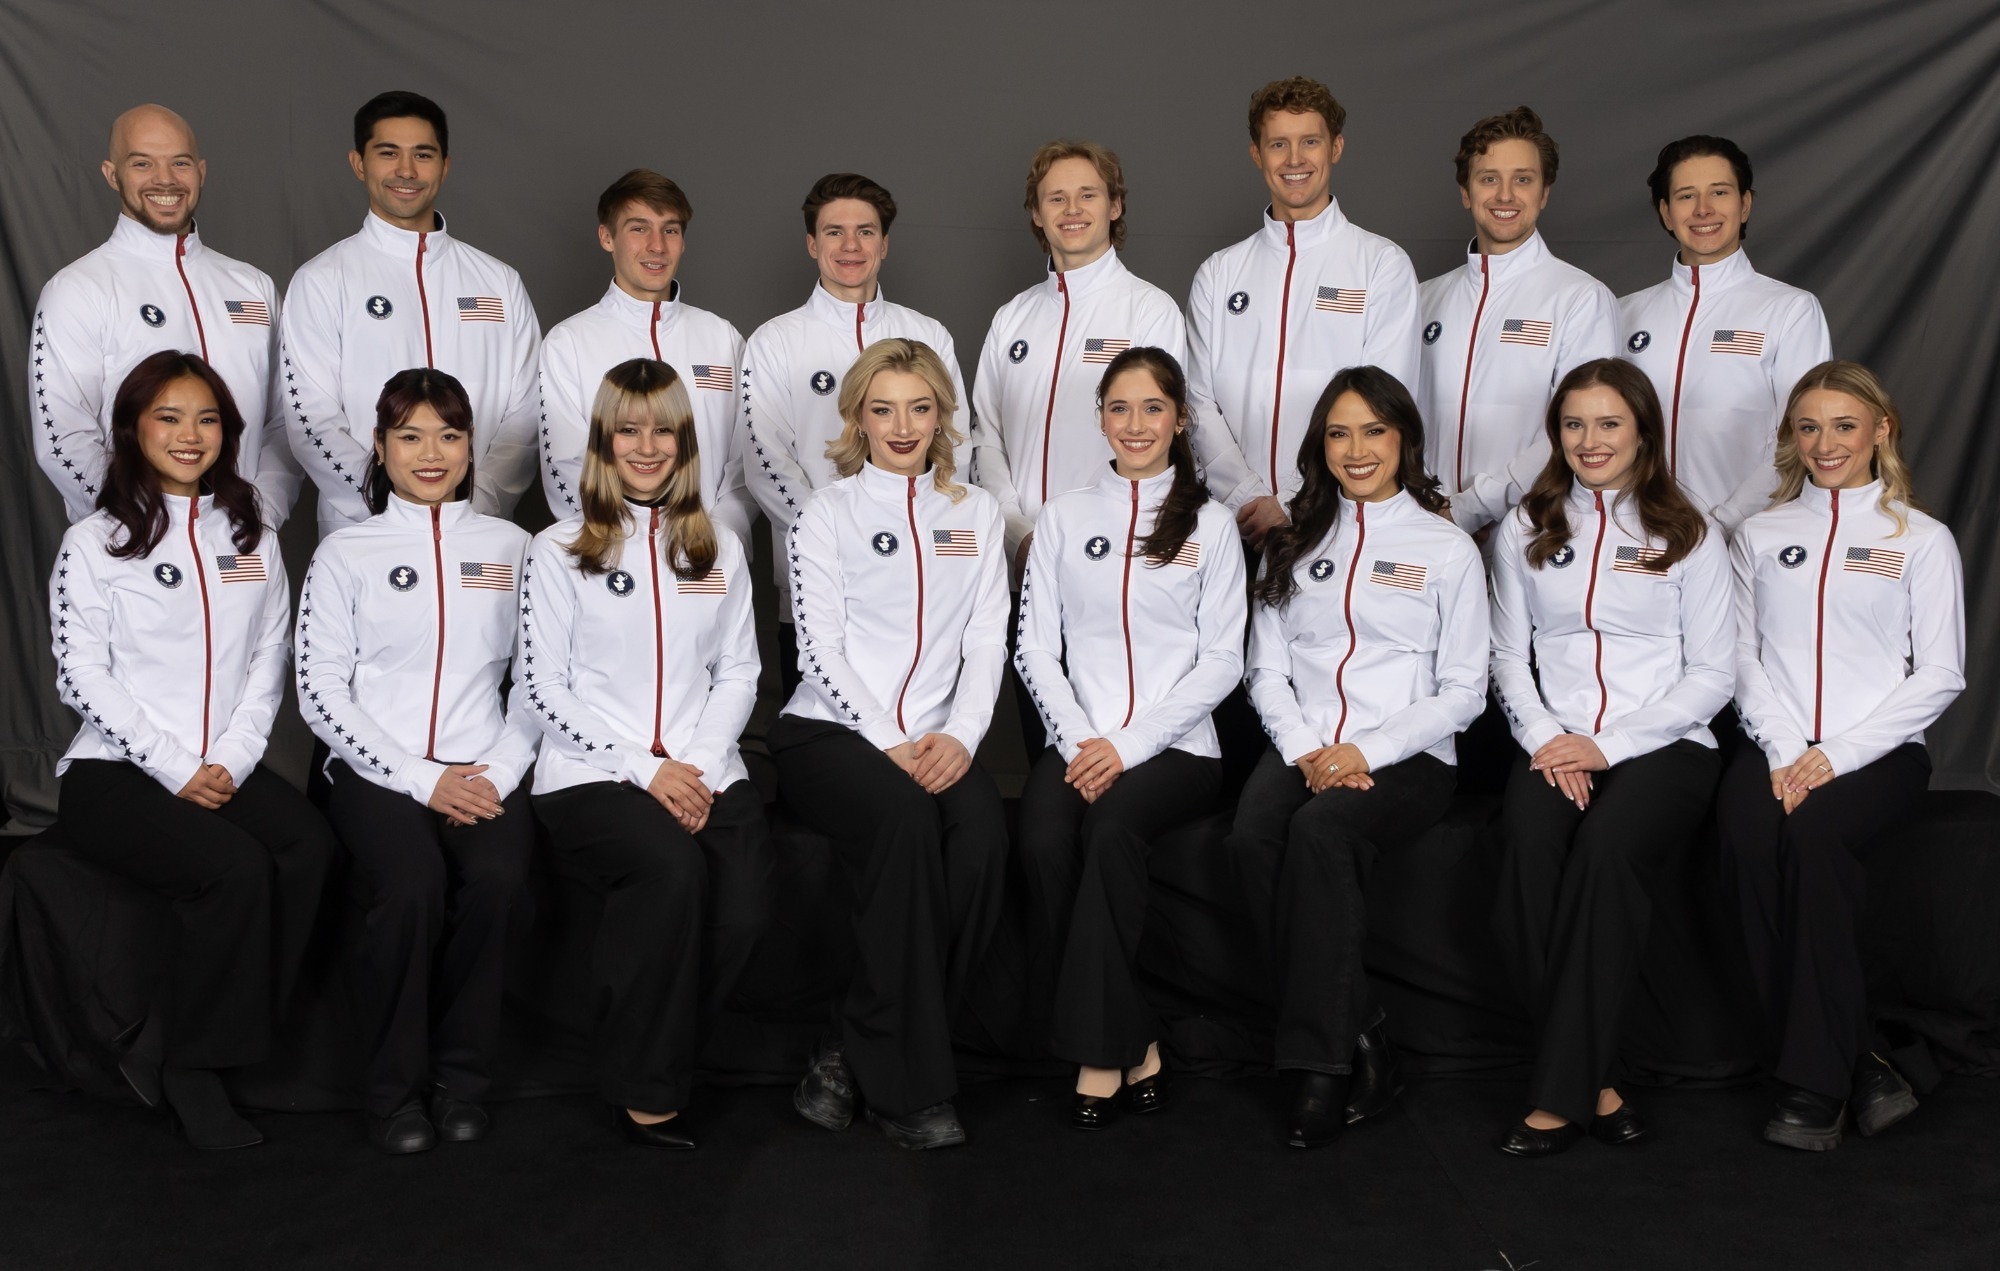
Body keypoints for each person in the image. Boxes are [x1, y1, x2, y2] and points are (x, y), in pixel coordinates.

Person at [48, 351, 334, 1149]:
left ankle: (249, 1031)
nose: (189, 434)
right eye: (168, 417)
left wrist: (232, 761)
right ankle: (189, 1065)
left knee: (309, 847)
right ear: (133, 430)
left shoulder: (252, 535)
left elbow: (268, 660)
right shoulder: (94, 542)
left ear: (227, 434)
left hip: (222, 760)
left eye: (207, 418)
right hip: (115, 770)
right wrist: (174, 765)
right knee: (234, 868)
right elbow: (80, 675)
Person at [1227, 366, 1488, 1148]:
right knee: (1251, 837)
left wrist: (1362, 750)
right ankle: (1363, 1022)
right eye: (1339, 433)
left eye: (1374, 430)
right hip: (1305, 743)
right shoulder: (1294, 541)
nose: (1357, 448)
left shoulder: (1446, 548)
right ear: (1320, 445)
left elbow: (1465, 689)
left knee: (1320, 831)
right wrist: (1309, 750)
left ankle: (1323, 1064)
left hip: (1409, 753)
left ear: (1405, 438)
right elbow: (1264, 669)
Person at [518, 358, 774, 1150]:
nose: (647, 446)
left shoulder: (718, 545)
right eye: (628, 429)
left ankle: (653, 1048)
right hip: (593, 771)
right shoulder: (559, 548)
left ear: (685, 442)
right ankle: (645, 1087)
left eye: (664, 430)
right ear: (603, 441)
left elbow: (740, 670)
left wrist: (695, 763)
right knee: (671, 870)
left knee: (746, 905)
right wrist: (646, 768)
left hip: (703, 764)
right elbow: (542, 687)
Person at [1487, 357, 1734, 1156]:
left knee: (1603, 852)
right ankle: (1600, 1080)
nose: (1589, 440)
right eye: (1573, 423)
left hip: (1665, 743)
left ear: (1643, 432)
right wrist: (1547, 739)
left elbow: (1714, 673)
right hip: (1555, 739)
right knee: (1526, 854)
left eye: (1608, 423)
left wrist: (1609, 745)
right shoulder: (1526, 525)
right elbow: (1507, 656)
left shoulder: (1689, 529)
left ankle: (1558, 1095)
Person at [772, 338, 1008, 1150]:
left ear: (941, 415)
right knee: (907, 820)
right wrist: (887, 743)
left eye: (919, 407)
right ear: (858, 419)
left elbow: (987, 639)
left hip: (941, 734)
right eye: (883, 409)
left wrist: (963, 735)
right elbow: (818, 650)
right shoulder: (826, 513)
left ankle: (849, 1040)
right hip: (831, 732)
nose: (902, 426)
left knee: (982, 842)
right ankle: (909, 1090)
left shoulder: (975, 512)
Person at [1721, 361, 1964, 1150]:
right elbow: (1742, 657)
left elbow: (1941, 673)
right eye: (1809, 427)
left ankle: (1813, 1084)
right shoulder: (1760, 534)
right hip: (1776, 743)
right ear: (1792, 437)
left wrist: (1836, 755)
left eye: (1844, 425)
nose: (1826, 444)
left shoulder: (1920, 539)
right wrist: (1788, 748)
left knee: (1814, 838)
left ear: (1880, 430)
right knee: (1746, 839)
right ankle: (1858, 1057)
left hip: (1879, 753)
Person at [295, 369, 536, 1154]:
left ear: (471, 446)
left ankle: (461, 1079)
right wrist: (420, 777)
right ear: (380, 445)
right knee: (411, 885)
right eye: (410, 435)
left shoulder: (516, 549)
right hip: (376, 769)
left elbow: (539, 684)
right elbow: (318, 690)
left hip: (484, 763)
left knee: (498, 879)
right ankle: (393, 1089)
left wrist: (498, 772)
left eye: (449, 435)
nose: (431, 453)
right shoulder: (346, 553)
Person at [1014, 346, 1247, 1130]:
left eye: (1154, 408)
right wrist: (1084, 739)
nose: (1136, 423)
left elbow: (1223, 661)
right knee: (1042, 838)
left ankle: (1096, 1051)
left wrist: (1129, 745)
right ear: (1101, 418)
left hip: (1178, 749)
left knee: (1111, 828)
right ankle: (1137, 1034)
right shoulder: (1065, 515)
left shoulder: (1211, 524)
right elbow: (1034, 647)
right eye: (1119, 407)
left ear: (1180, 420)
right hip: (1078, 739)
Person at [974, 140, 1190, 756]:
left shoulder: (1149, 310)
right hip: (1025, 560)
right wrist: (1019, 532)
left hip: (1116, 562)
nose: (1072, 210)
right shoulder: (1012, 319)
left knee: (1119, 742)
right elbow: (984, 435)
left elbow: (1157, 440)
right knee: (1047, 748)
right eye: (1056, 198)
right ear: (1036, 214)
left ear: (1115, 206)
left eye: (1088, 194)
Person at [739, 174, 972, 694]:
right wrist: (836, 542)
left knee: (922, 725)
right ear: (811, 244)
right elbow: (765, 462)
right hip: (815, 581)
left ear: (884, 244)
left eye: (865, 232)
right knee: (822, 727)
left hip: (918, 580)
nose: (851, 246)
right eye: (834, 232)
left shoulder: (929, 334)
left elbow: (955, 444)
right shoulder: (774, 342)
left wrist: (911, 534)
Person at [280, 91, 540, 535]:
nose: (406, 170)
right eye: (388, 153)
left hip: (478, 530)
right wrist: (388, 506)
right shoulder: (321, 280)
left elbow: (526, 414)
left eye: (423, 154)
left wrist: (474, 505)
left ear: (445, 165)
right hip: (361, 531)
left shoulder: (499, 282)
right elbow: (311, 418)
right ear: (358, 164)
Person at [32, 104, 300, 527]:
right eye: (142, 163)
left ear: (201, 171)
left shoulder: (253, 287)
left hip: (241, 541)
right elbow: (63, 434)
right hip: (135, 540)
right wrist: (147, 522)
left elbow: (287, 420)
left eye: (180, 163)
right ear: (112, 174)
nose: (165, 179)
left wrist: (260, 514)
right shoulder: (78, 289)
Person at [1186, 76, 1422, 549]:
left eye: (1309, 141)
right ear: (1257, 154)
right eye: (1278, 144)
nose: (1294, 159)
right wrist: (1249, 499)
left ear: (1335, 148)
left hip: (1339, 522)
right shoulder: (1219, 273)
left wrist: (1296, 502)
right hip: (1235, 526)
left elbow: (1384, 405)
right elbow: (1197, 400)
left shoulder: (1382, 265)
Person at [1416, 107, 1619, 533]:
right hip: (1425, 525)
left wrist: (1471, 507)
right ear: (1466, 192)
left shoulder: (1580, 298)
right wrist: (1422, 506)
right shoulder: (1425, 297)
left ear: (1544, 193)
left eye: (1523, 179)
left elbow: (1577, 430)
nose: (1505, 195)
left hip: (1531, 531)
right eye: (1489, 179)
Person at [1617, 135, 1832, 531]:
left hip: (1745, 537)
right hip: (1635, 536)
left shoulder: (1791, 310)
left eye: (1719, 192)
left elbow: (1800, 437)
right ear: (1666, 212)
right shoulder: (1624, 312)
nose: (1703, 209)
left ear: (1744, 204)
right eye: (1686, 196)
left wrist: (1723, 525)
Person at [538, 170, 751, 544]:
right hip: (611, 557)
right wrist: (629, 547)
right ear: (607, 237)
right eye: (639, 229)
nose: (657, 246)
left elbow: (746, 458)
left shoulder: (722, 338)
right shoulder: (568, 343)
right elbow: (566, 464)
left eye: (670, 230)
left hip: (712, 552)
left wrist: (715, 538)